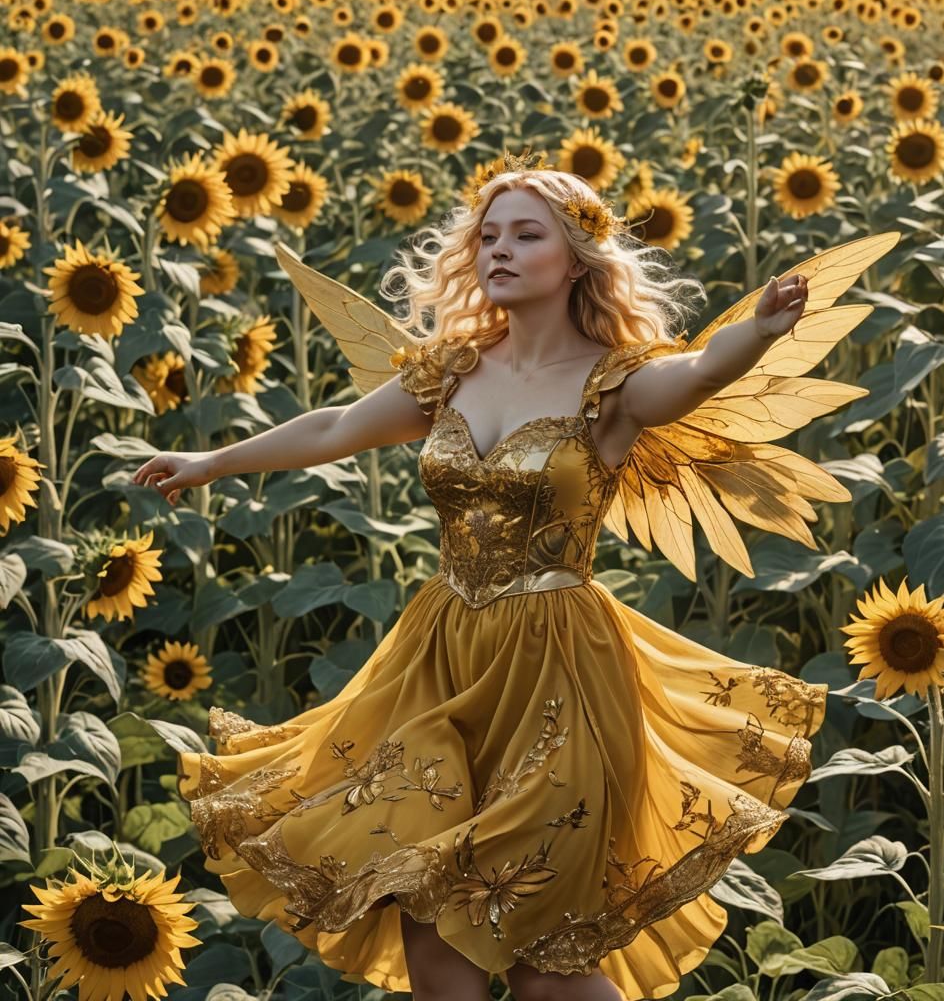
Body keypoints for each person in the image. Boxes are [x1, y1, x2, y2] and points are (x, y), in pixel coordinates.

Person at [132, 153, 896, 1001]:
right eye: (488, 234)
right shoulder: (451, 372)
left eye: (525, 234)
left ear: (576, 259)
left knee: (547, 962)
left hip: (560, 671)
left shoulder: (615, 386)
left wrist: (758, 329)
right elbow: (333, 428)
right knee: (427, 917)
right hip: (438, 660)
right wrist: (210, 460)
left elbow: (701, 372)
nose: (499, 248)